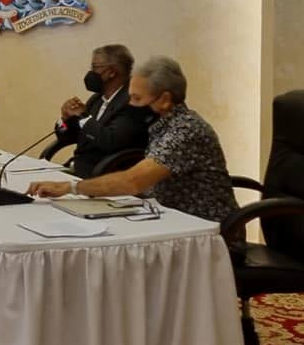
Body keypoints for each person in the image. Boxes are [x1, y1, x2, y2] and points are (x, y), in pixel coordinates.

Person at [28, 56, 239, 225]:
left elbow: (133, 181)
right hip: (168, 219)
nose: (130, 104)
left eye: (137, 99)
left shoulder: (185, 130)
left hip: (206, 232)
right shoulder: (162, 125)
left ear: (165, 100)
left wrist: (69, 188)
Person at [54, 44, 152, 178]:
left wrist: (83, 116)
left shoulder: (132, 102)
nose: (91, 72)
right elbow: (73, 137)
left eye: (95, 67)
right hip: (79, 168)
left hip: (105, 174)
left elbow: (110, 141)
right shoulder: (97, 99)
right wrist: (65, 120)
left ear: (111, 72)